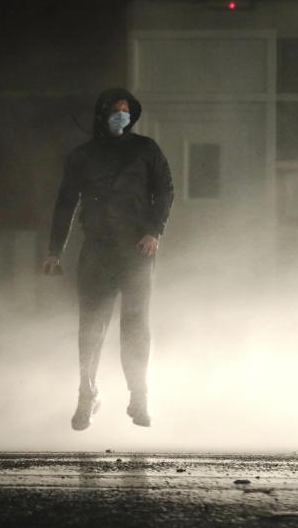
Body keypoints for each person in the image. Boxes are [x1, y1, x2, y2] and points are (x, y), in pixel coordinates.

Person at [43, 88, 173, 431]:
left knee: (135, 325)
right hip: (98, 249)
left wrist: (153, 231)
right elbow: (66, 203)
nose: (121, 114)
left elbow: (165, 190)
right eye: (115, 109)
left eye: (126, 109)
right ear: (102, 115)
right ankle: (86, 395)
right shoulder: (82, 156)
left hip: (137, 250)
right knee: (91, 327)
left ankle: (138, 397)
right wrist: (55, 250)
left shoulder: (146, 150)